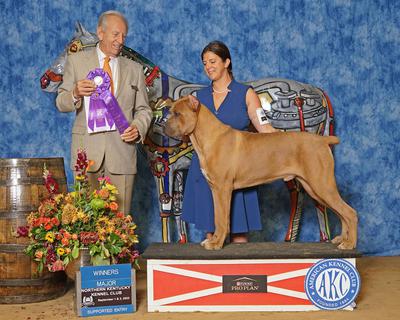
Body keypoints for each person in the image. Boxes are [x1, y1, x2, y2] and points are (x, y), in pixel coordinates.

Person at [56, 10, 152, 215]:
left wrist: (138, 127)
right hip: (86, 153)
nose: (120, 41)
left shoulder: (135, 69)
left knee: (121, 223)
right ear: (100, 33)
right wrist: (74, 93)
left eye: (124, 36)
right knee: (84, 220)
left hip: (122, 153)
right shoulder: (76, 61)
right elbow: (61, 102)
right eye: (116, 34)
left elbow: (144, 109)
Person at [182, 40, 277, 244]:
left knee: (240, 237)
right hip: (205, 170)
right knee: (210, 235)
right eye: (205, 63)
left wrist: (289, 145)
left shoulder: (246, 93)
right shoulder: (197, 98)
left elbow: (264, 128)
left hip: (239, 168)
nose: (208, 67)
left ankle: (241, 277)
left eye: (213, 61)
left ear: (227, 62)